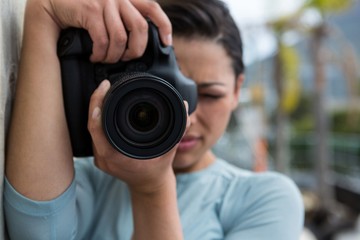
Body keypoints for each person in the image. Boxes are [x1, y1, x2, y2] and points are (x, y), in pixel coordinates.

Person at [4, 0, 304, 239]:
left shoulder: (265, 199)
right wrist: (43, 15)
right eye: (163, 93)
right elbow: (37, 233)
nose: (186, 115)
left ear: (238, 89)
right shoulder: (87, 173)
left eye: (209, 95)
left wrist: (153, 188)